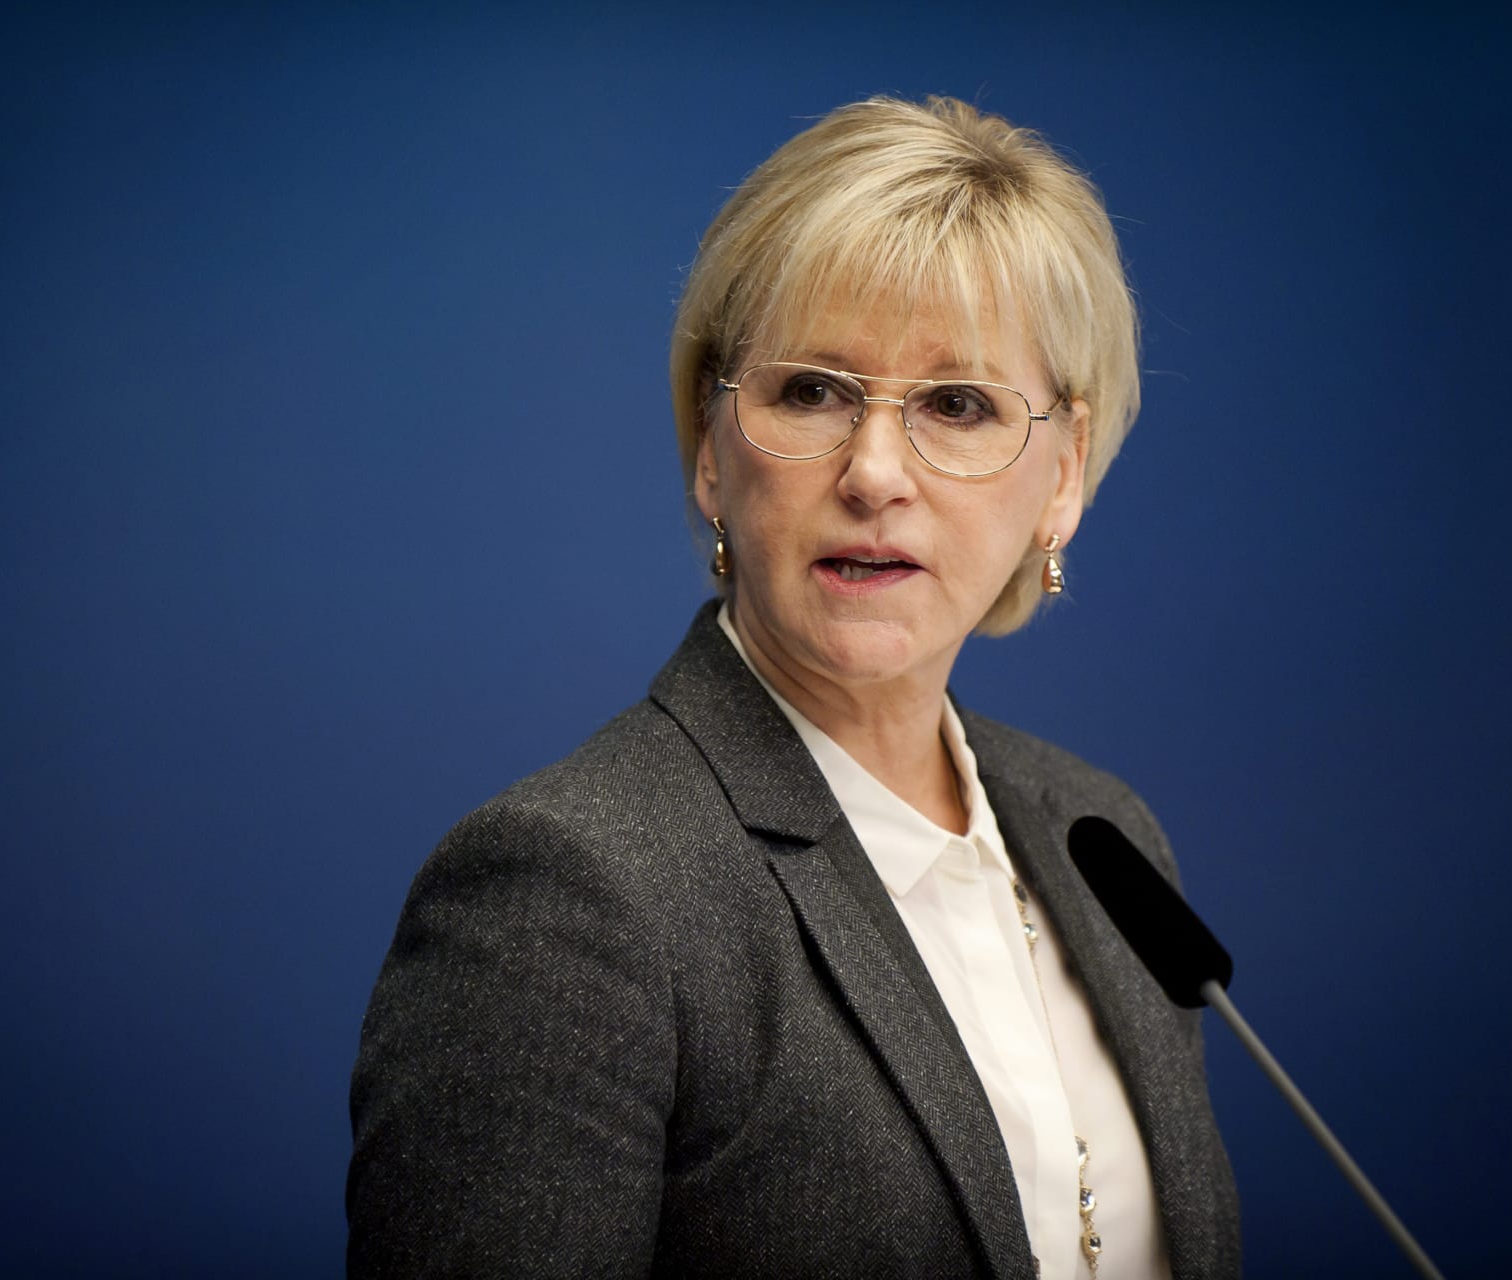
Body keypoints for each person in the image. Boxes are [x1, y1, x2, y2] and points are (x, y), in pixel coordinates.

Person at [347, 95, 1239, 1279]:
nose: (874, 473)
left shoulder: (1102, 837)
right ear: (712, 448)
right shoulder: (570, 894)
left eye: (958, 404)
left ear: (1064, 473)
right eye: (812, 390)